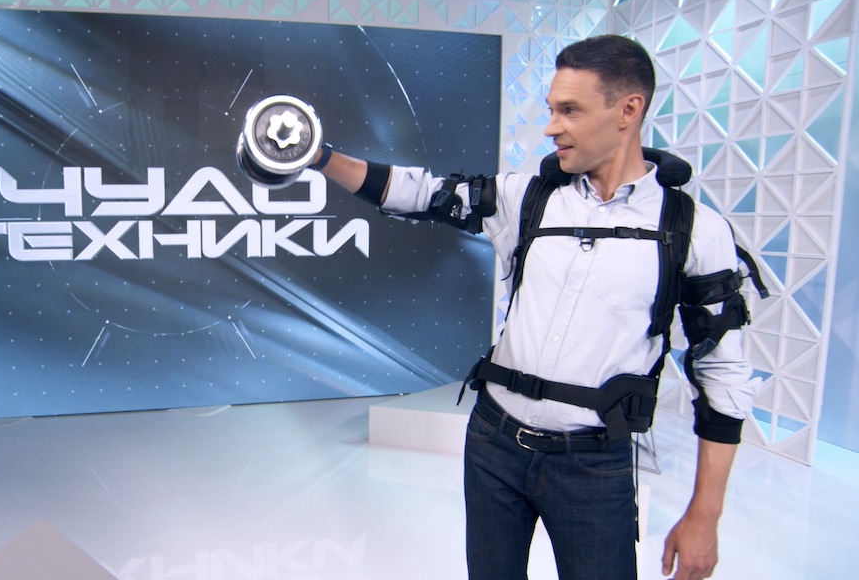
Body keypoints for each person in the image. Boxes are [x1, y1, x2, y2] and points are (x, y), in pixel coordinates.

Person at [305, 34, 758, 580]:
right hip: (493, 445)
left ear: (628, 110)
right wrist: (318, 157)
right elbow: (419, 193)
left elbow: (722, 374)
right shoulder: (528, 198)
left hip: (594, 466)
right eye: (550, 109)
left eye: (570, 110)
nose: (551, 127)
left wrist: (705, 515)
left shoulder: (694, 229)